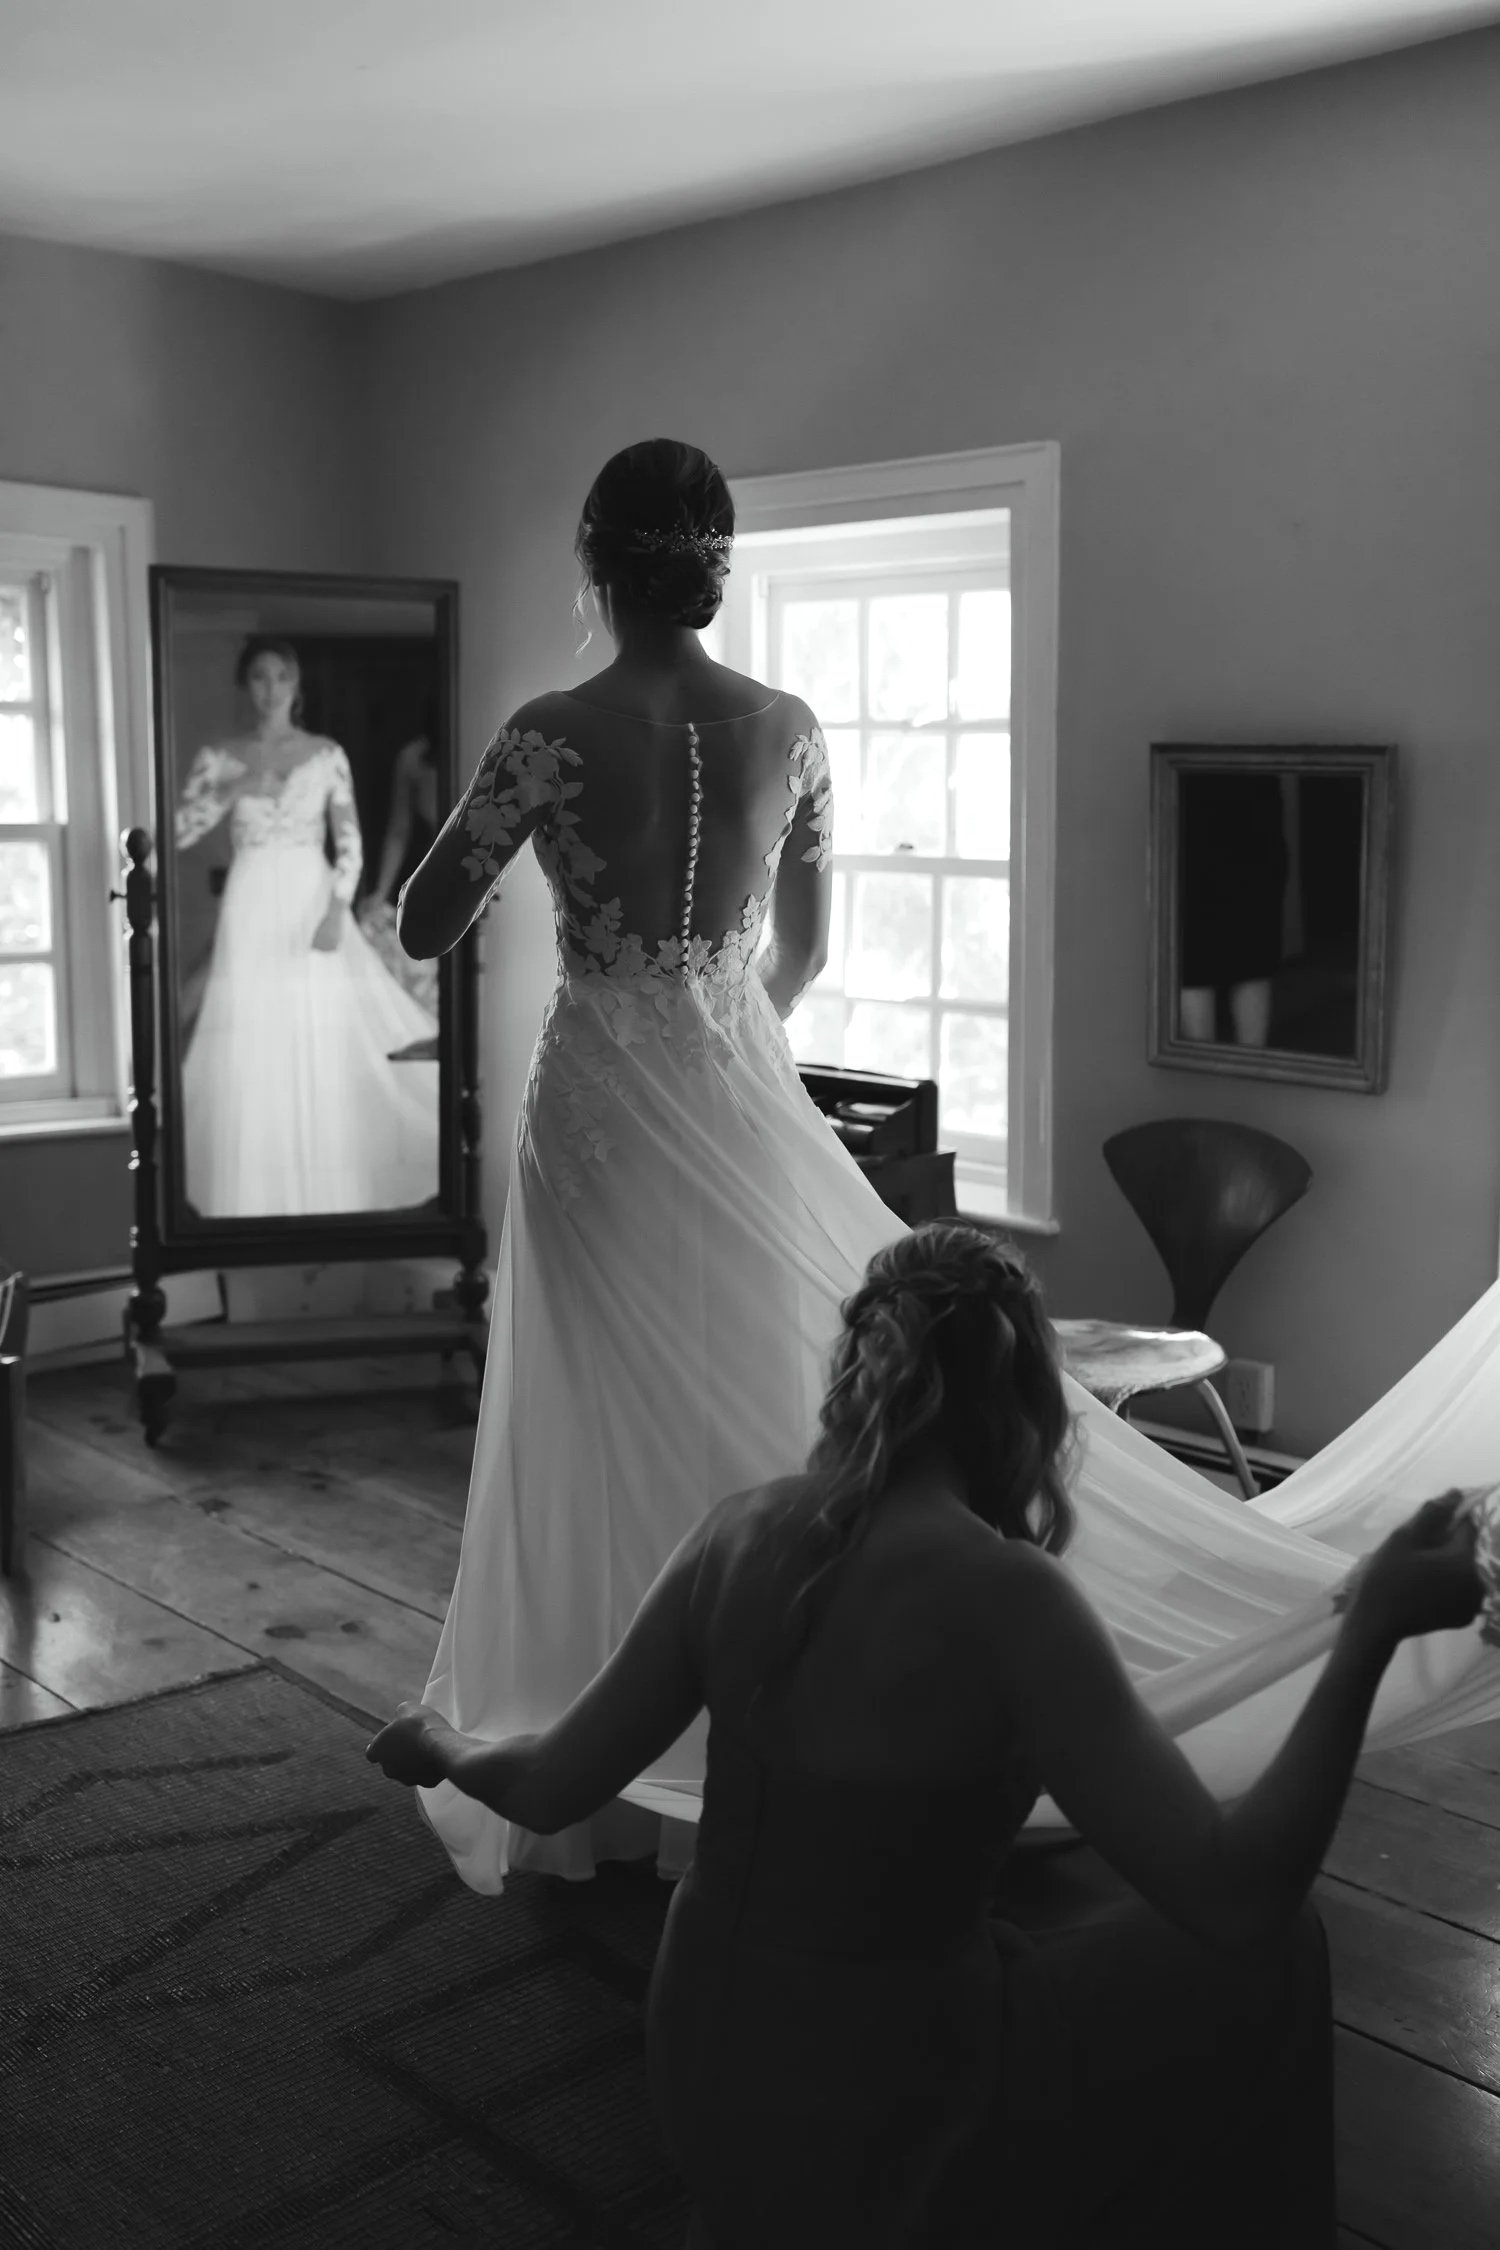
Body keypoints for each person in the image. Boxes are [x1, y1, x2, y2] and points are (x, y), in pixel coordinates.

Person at [369, 1221, 1484, 2247]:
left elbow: (554, 1784)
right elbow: (1236, 1901)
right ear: (1026, 1409)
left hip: (705, 2068)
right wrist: (1370, 1633)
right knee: (1280, 1953)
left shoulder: (735, 1534)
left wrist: (439, 1741)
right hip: (887, 2094)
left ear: (861, 1380)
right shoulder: (1012, 1601)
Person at [174, 637, 441, 1218]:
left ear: (297, 687)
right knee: (251, 1033)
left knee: (317, 1031)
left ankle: (327, 1194)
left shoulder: (325, 755)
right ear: (247, 686)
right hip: (249, 901)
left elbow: (350, 844)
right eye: (261, 677)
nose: (271, 689)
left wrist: (333, 911)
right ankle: (252, 1195)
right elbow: (181, 830)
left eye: (282, 677)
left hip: (309, 898)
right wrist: (237, 787)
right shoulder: (220, 756)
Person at [356, 716, 441, 1015]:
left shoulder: (484, 739)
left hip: (484, 869)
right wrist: (381, 890)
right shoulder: (413, 759)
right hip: (433, 871)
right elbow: (398, 829)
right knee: (377, 928)